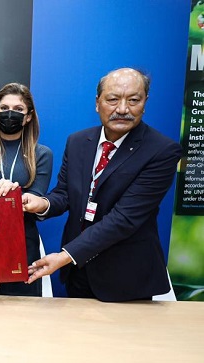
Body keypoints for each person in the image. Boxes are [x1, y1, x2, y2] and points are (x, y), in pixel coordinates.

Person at [23, 68, 183, 302]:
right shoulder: (78, 141)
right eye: (113, 99)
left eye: (134, 100)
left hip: (126, 277)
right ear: (98, 103)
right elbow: (66, 194)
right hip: (79, 271)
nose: (122, 109)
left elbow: (124, 218)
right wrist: (42, 203)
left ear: (145, 102)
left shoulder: (162, 151)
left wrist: (66, 256)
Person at [0, 83, 53, 297]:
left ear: (28, 117)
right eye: (4, 108)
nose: (10, 114)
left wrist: (17, 196)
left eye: (18, 110)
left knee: (23, 318)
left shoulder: (41, 154)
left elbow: (36, 197)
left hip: (23, 246)